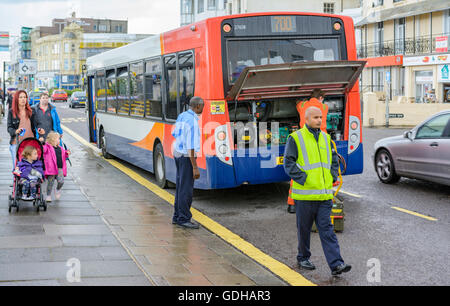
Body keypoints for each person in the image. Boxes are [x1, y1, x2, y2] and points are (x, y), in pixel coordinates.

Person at [283, 106, 351, 276]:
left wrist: (332, 175)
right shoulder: (296, 138)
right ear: (306, 120)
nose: (319, 120)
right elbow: (288, 164)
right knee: (304, 229)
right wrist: (305, 179)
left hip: (324, 196)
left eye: (321, 117)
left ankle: (336, 264)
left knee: (327, 229)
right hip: (305, 196)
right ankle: (303, 257)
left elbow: (333, 160)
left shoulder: (326, 138)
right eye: (315, 117)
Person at [287, 89, 330, 214]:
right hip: (321, 140)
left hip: (304, 138)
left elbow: (298, 104)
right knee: (322, 171)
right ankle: (323, 199)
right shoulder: (324, 106)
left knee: (300, 168)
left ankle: (292, 204)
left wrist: (301, 100)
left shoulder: (303, 105)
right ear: (321, 97)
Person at [171, 96, 204, 229]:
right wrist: (195, 167)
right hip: (186, 156)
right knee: (186, 189)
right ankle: (184, 218)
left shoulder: (182, 116)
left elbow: (174, 133)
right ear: (197, 107)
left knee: (180, 187)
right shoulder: (193, 122)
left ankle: (177, 216)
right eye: (202, 106)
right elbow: (191, 147)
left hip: (178, 154)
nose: (203, 108)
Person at [7, 90, 43, 170]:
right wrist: (15, 131)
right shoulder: (11, 112)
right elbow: (9, 128)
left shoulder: (31, 111)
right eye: (20, 97)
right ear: (16, 99)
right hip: (16, 143)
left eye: (25, 97)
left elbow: (37, 124)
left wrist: (40, 129)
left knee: (31, 167)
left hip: (30, 143)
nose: (23, 99)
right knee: (17, 167)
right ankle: (17, 181)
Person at [43, 131, 70, 202]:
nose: (59, 140)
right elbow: (43, 150)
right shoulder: (47, 147)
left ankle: (57, 189)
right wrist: (42, 141)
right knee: (50, 183)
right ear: (53, 140)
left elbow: (64, 155)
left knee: (61, 181)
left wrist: (67, 153)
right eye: (58, 139)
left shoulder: (60, 148)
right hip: (51, 169)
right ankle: (48, 195)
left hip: (59, 168)